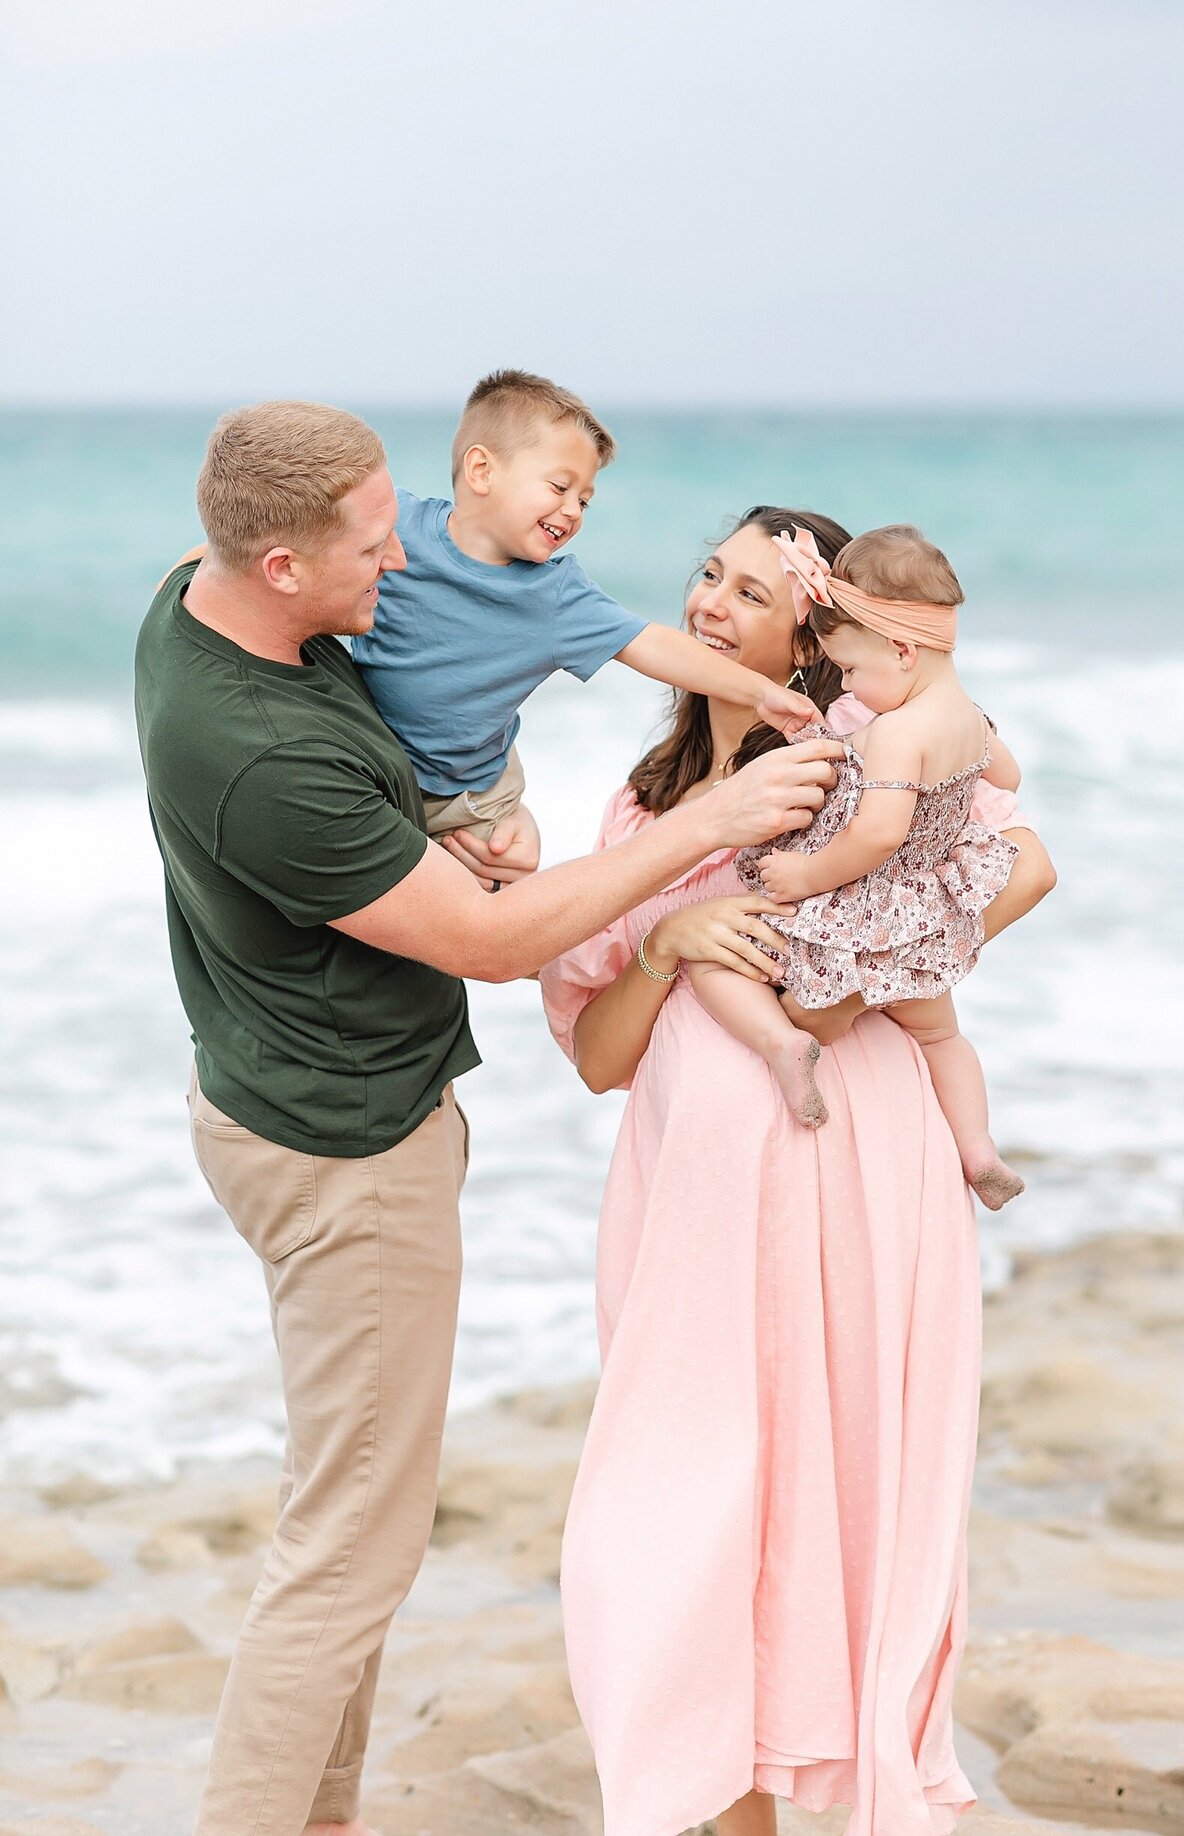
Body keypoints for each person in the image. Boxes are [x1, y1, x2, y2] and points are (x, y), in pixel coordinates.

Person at [133, 404, 843, 1836]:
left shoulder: (201, 607)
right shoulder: (267, 756)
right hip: (346, 1155)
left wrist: (461, 824)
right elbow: (499, 947)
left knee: (343, 1511)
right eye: (372, 547)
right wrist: (703, 830)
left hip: (277, 1094)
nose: (403, 564)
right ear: (278, 564)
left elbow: (416, 812)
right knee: (350, 1550)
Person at [540, 504, 1056, 1836]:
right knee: (669, 1520)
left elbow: (1027, 863)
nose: (710, 605)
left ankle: (811, 1797)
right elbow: (599, 1057)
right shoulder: (640, 808)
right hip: (691, 1211)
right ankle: (707, 1802)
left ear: (816, 638)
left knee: (838, 1499)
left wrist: (850, 954)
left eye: (752, 593)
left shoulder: (856, 764)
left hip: (854, 1173)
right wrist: (674, 940)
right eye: (708, 575)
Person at [691, 523, 1026, 1210]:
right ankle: (978, 1148)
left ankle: (784, 1047)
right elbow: (1010, 776)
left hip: (857, 913)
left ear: (903, 650)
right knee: (944, 1037)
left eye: (850, 670)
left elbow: (876, 835)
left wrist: (807, 877)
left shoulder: (901, 730)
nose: (845, 683)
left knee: (712, 963)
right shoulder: (970, 718)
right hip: (922, 923)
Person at [350, 368, 815, 862]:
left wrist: (762, 692)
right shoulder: (397, 526)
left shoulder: (555, 595)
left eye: (584, 501)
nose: (572, 511)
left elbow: (652, 645)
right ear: (481, 470)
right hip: (371, 759)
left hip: (465, 801)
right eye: (558, 487)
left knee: (470, 910)